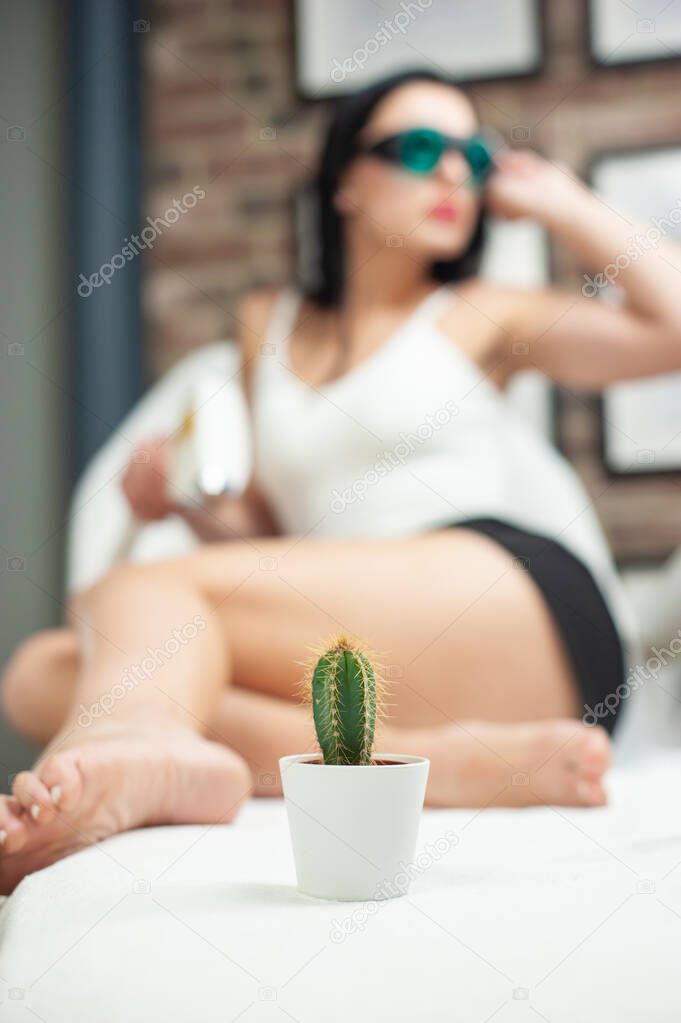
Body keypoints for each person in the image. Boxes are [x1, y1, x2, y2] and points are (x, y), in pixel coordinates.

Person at [2, 69, 681, 896]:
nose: (453, 174)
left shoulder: (485, 314)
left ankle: (137, 736)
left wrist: (555, 198)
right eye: (419, 148)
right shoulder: (268, 325)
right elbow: (271, 540)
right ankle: (450, 765)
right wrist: (182, 507)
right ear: (345, 182)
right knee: (39, 670)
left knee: (132, 598)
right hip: (355, 643)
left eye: (471, 154)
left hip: (510, 602)